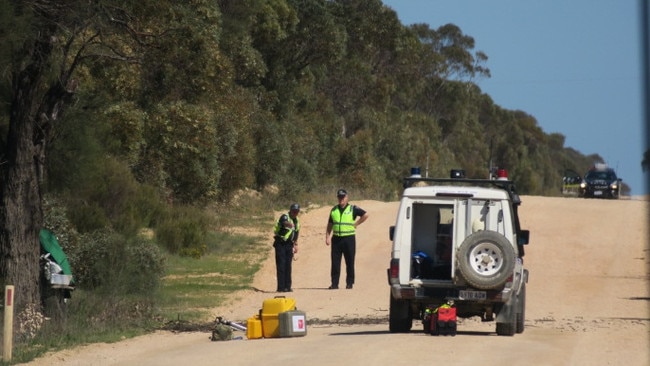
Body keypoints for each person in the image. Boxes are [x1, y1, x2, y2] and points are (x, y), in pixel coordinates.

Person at [325, 189, 368, 289]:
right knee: (335, 263)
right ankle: (334, 284)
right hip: (336, 239)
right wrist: (327, 236)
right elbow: (330, 224)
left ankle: (349, 283)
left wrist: (356, 224)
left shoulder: (352, 209)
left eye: (343, 197)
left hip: (349, 239)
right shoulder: (334, 210)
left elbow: (365, 215)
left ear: (347, 197)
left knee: (350, 261)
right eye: (339, 197)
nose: (341, 199)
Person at [273, 203, 300, 292]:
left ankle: (287, 287)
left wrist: (295, 244)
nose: (295, 213)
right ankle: (281, 287)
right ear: (290, 210)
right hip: (280, 243)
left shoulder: (297, 221)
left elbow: (296, 233)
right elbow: (284, 223)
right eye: (293, 211)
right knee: (281, 265)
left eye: (297, 211)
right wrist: (289, 224)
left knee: (288, 265)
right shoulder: (285, 216)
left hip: (289, 244)